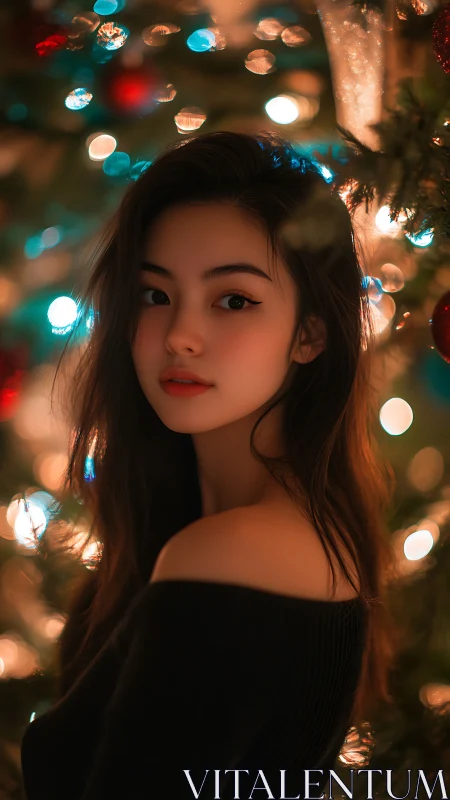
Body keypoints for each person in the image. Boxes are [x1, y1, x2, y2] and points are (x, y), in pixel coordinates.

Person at [20, 130, 400, 799]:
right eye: (154, 294)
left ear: (311, 332)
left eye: (233, 300)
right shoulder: (213, 524)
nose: (180, 337)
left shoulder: (237, 550)